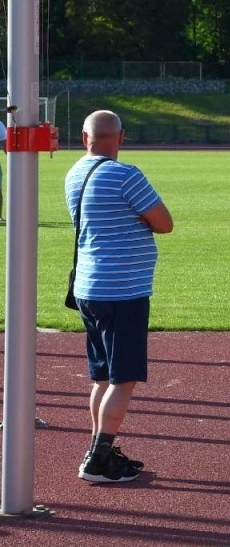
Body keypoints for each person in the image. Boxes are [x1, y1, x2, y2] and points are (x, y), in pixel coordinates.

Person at [65, 110, 174, 484]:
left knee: (103, 376)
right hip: (122, 288)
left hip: (89, 287)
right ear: (122, 138)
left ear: (85, 137)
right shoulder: (126, 175)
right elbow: (164, 223)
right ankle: (98, 459)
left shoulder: (74, 173)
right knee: (123, 378)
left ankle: (100, 447)